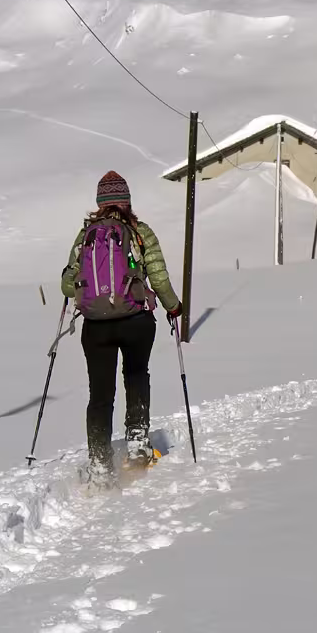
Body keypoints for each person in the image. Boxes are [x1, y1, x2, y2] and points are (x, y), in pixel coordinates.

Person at [61, 171, 182, 487]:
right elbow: (158, 276)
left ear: (99, 203)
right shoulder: (140, 232)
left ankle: (100, 464)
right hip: (136, 322)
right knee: (136, 376)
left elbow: (67, 284)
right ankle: (139, 448)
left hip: (96, 327)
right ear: (127, 201)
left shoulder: (86, 234)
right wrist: (173, 305)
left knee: (100, 395)